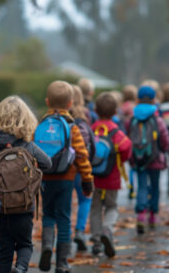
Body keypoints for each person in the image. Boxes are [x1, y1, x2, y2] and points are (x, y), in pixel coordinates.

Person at [0, 96, 52, 273]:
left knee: (4, 252)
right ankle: (21, 268)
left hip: (0, 208)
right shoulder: (27, 146)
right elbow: (47, 163)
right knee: (25, 245)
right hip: (24, 207)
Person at [37, 81, 94, 273]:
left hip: (45, 178)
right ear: (70, 104)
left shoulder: (41, 125)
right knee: (63, 218)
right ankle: (61, 263)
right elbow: (81, 155)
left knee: (48, 215)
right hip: (66, 179)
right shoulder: (72, 127)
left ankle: (46, 247)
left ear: (47, 102)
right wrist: (87, 179)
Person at [90, 92, 132, 257]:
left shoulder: (92, 128)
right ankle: (107, 229)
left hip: (94, 177)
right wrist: (121, 160)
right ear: (115, 111)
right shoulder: (116, 131)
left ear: (95, 109)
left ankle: (96, 241)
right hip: (112, 177)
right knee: (112, 207)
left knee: (95, 208)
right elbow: (126, 147)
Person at [126, 86, 169, 234]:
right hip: (155, 158)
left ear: (137, 99)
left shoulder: (132, 118)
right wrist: (163, 150)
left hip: (138, 158)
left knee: (142, 186)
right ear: (153, 100)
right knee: (155, 187)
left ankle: (140, 215)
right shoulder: (157, 119)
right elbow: (165, 139)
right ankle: (152, 216)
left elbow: (127, 136)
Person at [69, 85, 96, 252]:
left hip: (61, 169)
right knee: (85, 199)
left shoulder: (59, 118)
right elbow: (91, 143)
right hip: (80, 167)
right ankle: (79, 230)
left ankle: (58, 237)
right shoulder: (85, 117)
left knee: (63, 204)